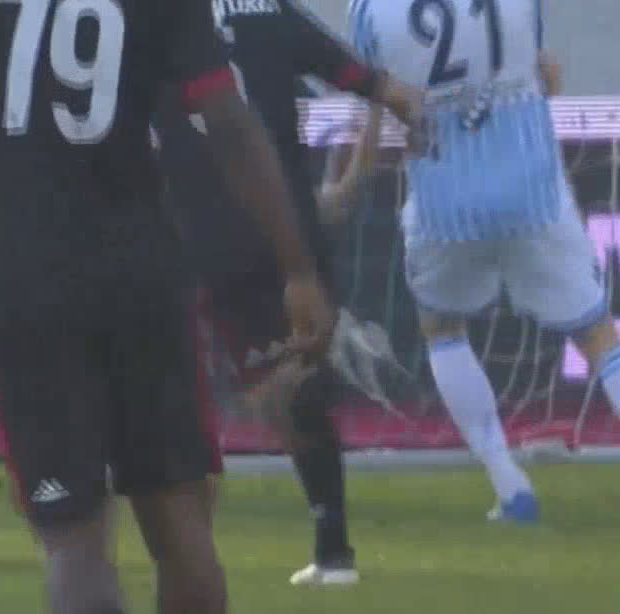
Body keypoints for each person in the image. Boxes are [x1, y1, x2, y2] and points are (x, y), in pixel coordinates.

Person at [0, 0, 336, 612]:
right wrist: (297, 269)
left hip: (26, 282)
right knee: (182, 530)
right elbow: (227, 121)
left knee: (74, 540)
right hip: (142, 276)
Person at [346, 0, 620, 523]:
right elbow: (546, 74)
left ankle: (509, 484)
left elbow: (374, 105)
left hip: (444, 199)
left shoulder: (368, 9)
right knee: (598, 337)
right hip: (531, 188)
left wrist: (349, 182)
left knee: (442, 330)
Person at [154, 1, 405, 582]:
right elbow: (359, 76)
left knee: (254, 389)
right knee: (292, 385)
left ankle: (189, 549)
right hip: (292, 227)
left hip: (212, 232)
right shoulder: (272, 9)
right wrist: (403, 105)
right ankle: (332, 546)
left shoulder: (153, 17)